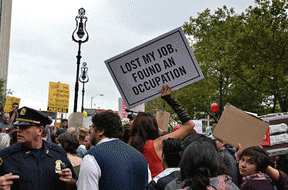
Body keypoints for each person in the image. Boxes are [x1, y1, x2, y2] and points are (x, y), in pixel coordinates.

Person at [0, 106, 77, 190]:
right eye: (18, 126)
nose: (18, 130)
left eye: (24, 127)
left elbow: (73, 185)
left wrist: (69, 181)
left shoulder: (58, 153)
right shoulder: (6, 155)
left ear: (40, 130)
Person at [129, 85, 196, 179]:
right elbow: (189, 125)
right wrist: (169, 99)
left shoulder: (127, 147)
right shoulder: (158, 143)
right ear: (153, 127)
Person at [77, 110, 151, 190]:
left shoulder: (92, 157)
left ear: (101, 130)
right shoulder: (142, 159)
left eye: (92, 127)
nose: (90, 131)